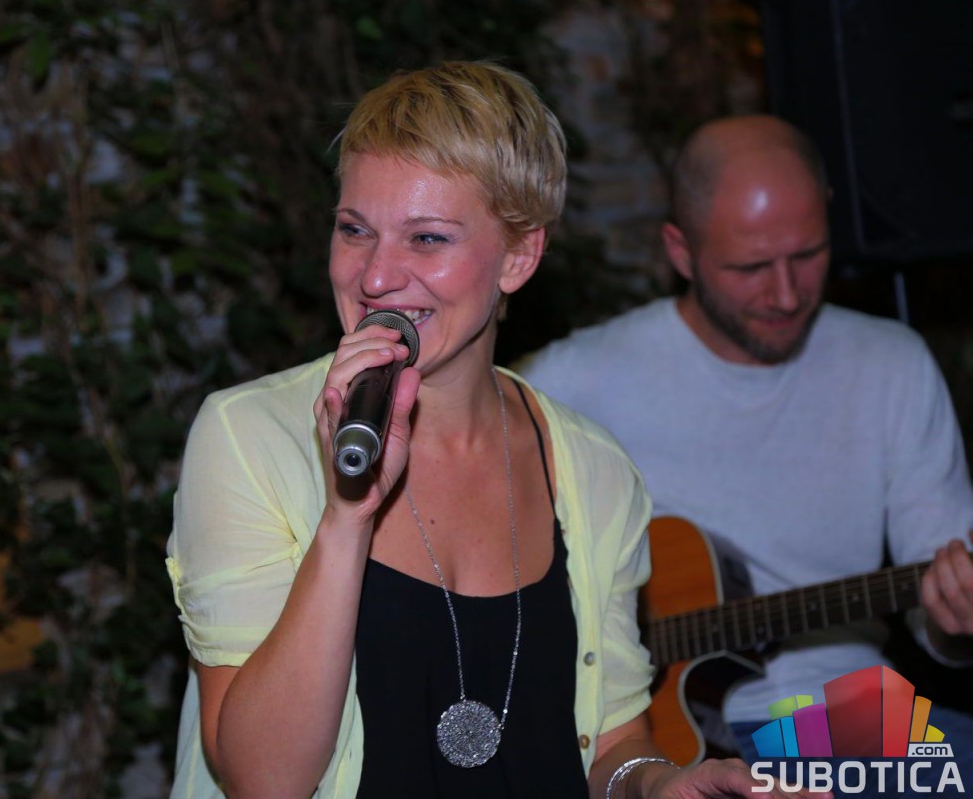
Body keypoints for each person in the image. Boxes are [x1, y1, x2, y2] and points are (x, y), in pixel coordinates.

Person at [166, 65, 810, 798]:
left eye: (426, 238)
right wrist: (346, 518)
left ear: (519, 256)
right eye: (354, 230)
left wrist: (657, 786)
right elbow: (263, 781)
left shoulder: (592, 468)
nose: (375, 277)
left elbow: (614, 742)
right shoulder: (248, 438)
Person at [519, 114, 973, 771]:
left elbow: (943, 611)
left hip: (847, 712)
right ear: (681, 253)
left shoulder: (893, 365)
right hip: (655, 737)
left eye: (808, 255)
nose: (786, 294)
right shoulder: (576, 379)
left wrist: (955, 622)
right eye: (751, 266)